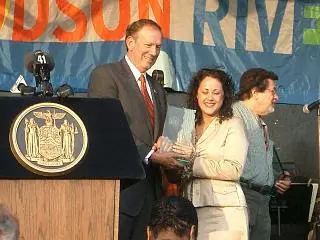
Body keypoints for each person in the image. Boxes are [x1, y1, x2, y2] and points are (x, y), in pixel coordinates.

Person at [88, 19, 184, 240]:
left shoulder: (158, 89)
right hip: (121, 193)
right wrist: (151, 155)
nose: (154, 52)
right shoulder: (106, 75)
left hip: (152, 198)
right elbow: (107, 127)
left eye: (158, 47)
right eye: (148, 45)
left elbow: (159, 135)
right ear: (130, 42)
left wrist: (168, 149)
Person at [169, 68, 249, 239]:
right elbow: (178, 171)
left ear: (224, 96)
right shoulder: (186, 124)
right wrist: (166, 153)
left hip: (224, 212)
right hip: (188, 212)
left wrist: (193, 160)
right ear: (196, 95)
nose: (210, 98)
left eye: (216, 92)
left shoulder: (233, 124)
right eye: (205, 92)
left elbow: (234, 169)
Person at [232, 68, 291, 240]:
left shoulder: (261, 124)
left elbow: (259, 163)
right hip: (244, 198)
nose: (276, 97)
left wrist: (279, 178)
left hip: (263, 201)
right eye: (273, 91)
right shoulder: (235, 116)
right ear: (255, 92)